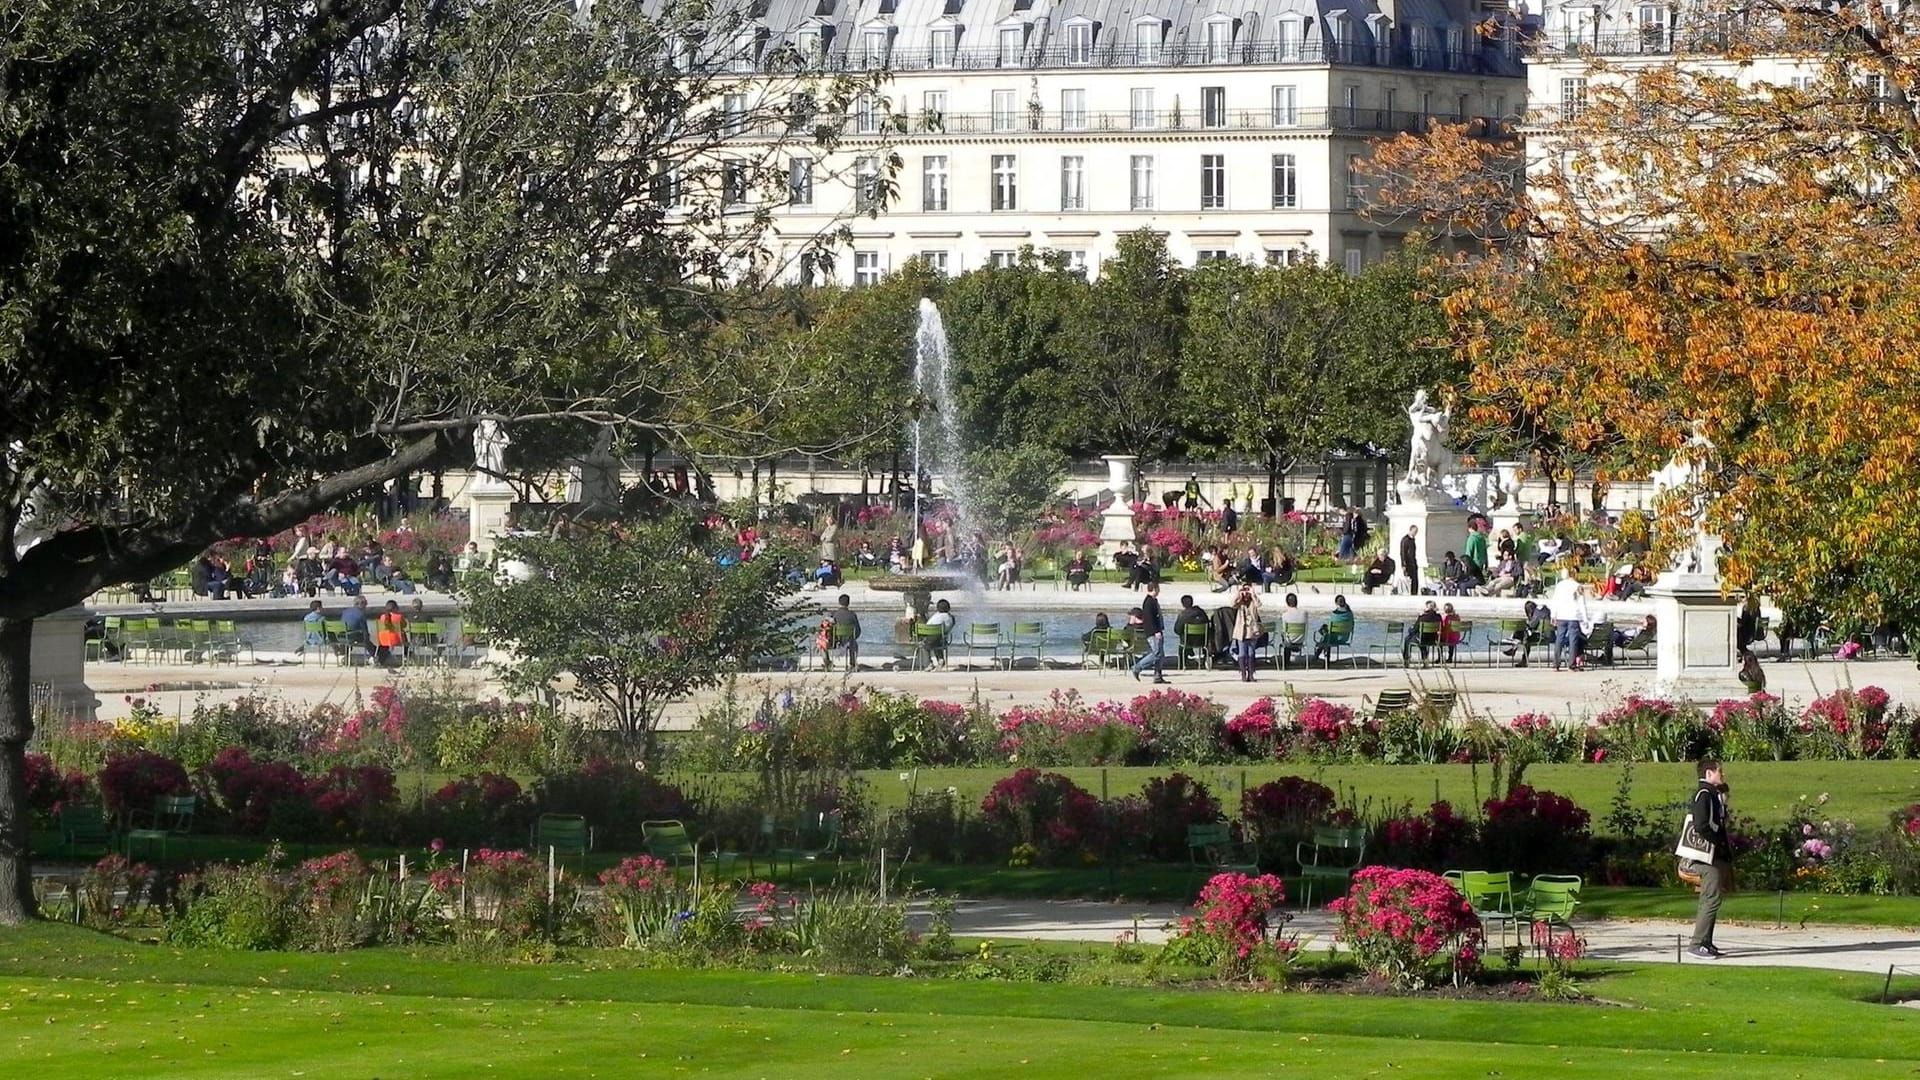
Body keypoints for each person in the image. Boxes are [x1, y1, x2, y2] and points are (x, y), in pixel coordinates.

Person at [1681, 759, 1732, 959]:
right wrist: (1716, 841)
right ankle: (1696, 944)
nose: (1723, 774)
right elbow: (1701, 825)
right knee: (1711, 899)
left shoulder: (1712, 795)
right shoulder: (1704, 794)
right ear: (1709, 773)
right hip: (1705, 858)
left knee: (1710, 898)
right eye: (1720, 771)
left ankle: (1706, 942)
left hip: (1712, 856)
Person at [1549, 570, 1592, 671]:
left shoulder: (1559, 585)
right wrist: (1585, 618)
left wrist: (1553, 614)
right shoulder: (1577, 585)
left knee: (1559, 639)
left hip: (1561, 615)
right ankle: (1571, 665)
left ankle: (1556, 664)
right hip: (1573, 616)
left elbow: (1555, 601)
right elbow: (1582, 604)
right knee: (1573, 640)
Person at [1130, 581, 1168, 684]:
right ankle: (1137, 667)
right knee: (1156, 653)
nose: (1159, 591)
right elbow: (1150, 618)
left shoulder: (1153, 601)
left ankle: (1158, 675)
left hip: (1157, 630)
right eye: (1158, 589)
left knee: (1160, 654)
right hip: (1153, 632)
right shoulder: (1149, 602)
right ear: (1155, 589)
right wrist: (1156, 631)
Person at [1230, 582, 1265, 682]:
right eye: (1244, 590)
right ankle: (1243, 674)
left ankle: (1251, 674)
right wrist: (1239, 593)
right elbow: (1232, 604)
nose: (1246, 593)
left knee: (1251, 652)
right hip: (1241, 630)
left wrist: (1253, 594)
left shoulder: (1253, 602)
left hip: (1252, 630)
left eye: (1247, 590)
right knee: (1242, 653)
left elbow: (1259, 604)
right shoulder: (1240, 603)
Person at [1312, 595, 1355, 664]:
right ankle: (1317, 656)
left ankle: (1319, 657)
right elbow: (1353, 625)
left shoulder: (1334, 614)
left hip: (1334, 638)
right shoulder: (1350, 614)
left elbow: (1330, 628)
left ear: (1336, 603)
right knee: (1326, 636)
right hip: (1345, 638)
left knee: (1326, 637)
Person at [1173, 595, 1210, 666]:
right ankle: (1203, 660)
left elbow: (1177, 630)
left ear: (1183, 604)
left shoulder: (1183, 615)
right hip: (1202, 641)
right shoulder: (1201, 612)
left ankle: (1181, 664)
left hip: (1187, 641)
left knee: (1182, 642)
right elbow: (1208, 625)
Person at [1403, 600, 1442, 666]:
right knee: (1421, 637)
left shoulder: (1422, 618)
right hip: (1433, 639)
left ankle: (1406, 659)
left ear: (1427, 608)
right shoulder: (1438, 617)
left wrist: (1410, 630)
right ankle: (1425, 659)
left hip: (1422, 638)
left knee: (1408, 639)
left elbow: (1414, 629)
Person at [1276, 592, 1308, 666]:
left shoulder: (1285, 615)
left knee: (1285, 636)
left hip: (1290, 641)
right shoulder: (1304, 613)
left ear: (1287, 603)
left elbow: (1284, 630)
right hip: (1301, 640)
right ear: (1296, 602)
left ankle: (1285, 663)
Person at [375, 599, 408, 667]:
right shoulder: (399, 617)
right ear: (395, 608)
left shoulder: (382, 617)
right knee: (403, 634)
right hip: (396, 640)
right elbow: (404, 625)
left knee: (388, 636)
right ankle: (406, 655)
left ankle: (381, 659)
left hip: (383, 640)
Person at [925, 598, 955, 668]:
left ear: (938, 608)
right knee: (937, 640)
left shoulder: (936, 616)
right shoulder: (951, 617)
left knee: (924, 645)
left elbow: (927, 626)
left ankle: (929, 663)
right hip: (943, 640)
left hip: (931, 639)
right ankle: (940, 659)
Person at [340, 595, 372, 661]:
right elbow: (365, 630)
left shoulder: (345, 612)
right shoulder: (361, 614)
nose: (366, 605)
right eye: (365, 603)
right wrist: (368, 640)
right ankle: (373, 656)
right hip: (353, 636)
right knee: (366, 638)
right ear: (361, 604)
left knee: (350, 634)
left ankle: (344, 656)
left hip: (342, 636)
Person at [1399, 525, 1421, 594]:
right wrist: (1403, 564)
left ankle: (1414, 593)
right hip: (1408, 563)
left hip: (1413, 562)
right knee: (1409, 580)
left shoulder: (1412, 540)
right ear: (1410, 530)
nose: (1415, 533)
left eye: (1416, 532)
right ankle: (1410, 592)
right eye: (1414, 531)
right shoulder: (1405, 540)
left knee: (1415, 580)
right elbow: (1403, 553)